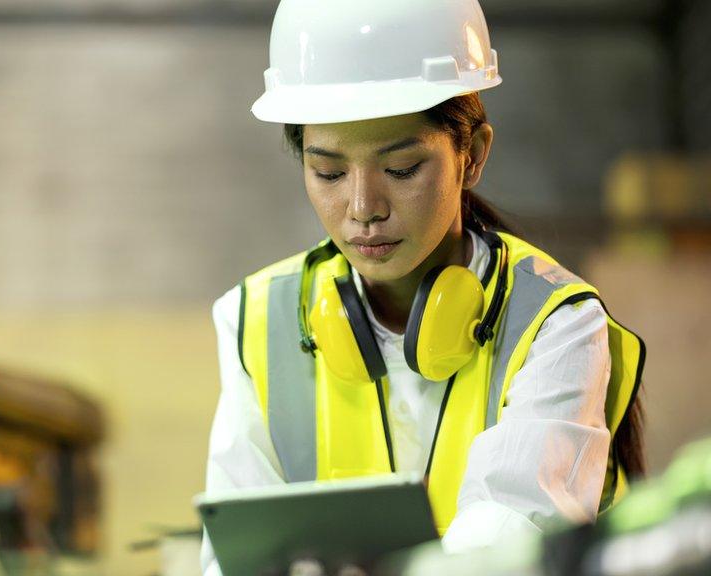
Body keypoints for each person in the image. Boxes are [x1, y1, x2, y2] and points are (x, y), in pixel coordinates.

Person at [200, 1, 646, 574]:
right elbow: (238, 549)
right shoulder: (255, 319)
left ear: (473, 155)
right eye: (329, 173)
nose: (362, 209)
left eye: (402, 169)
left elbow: (511, 542)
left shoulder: (554, 324)